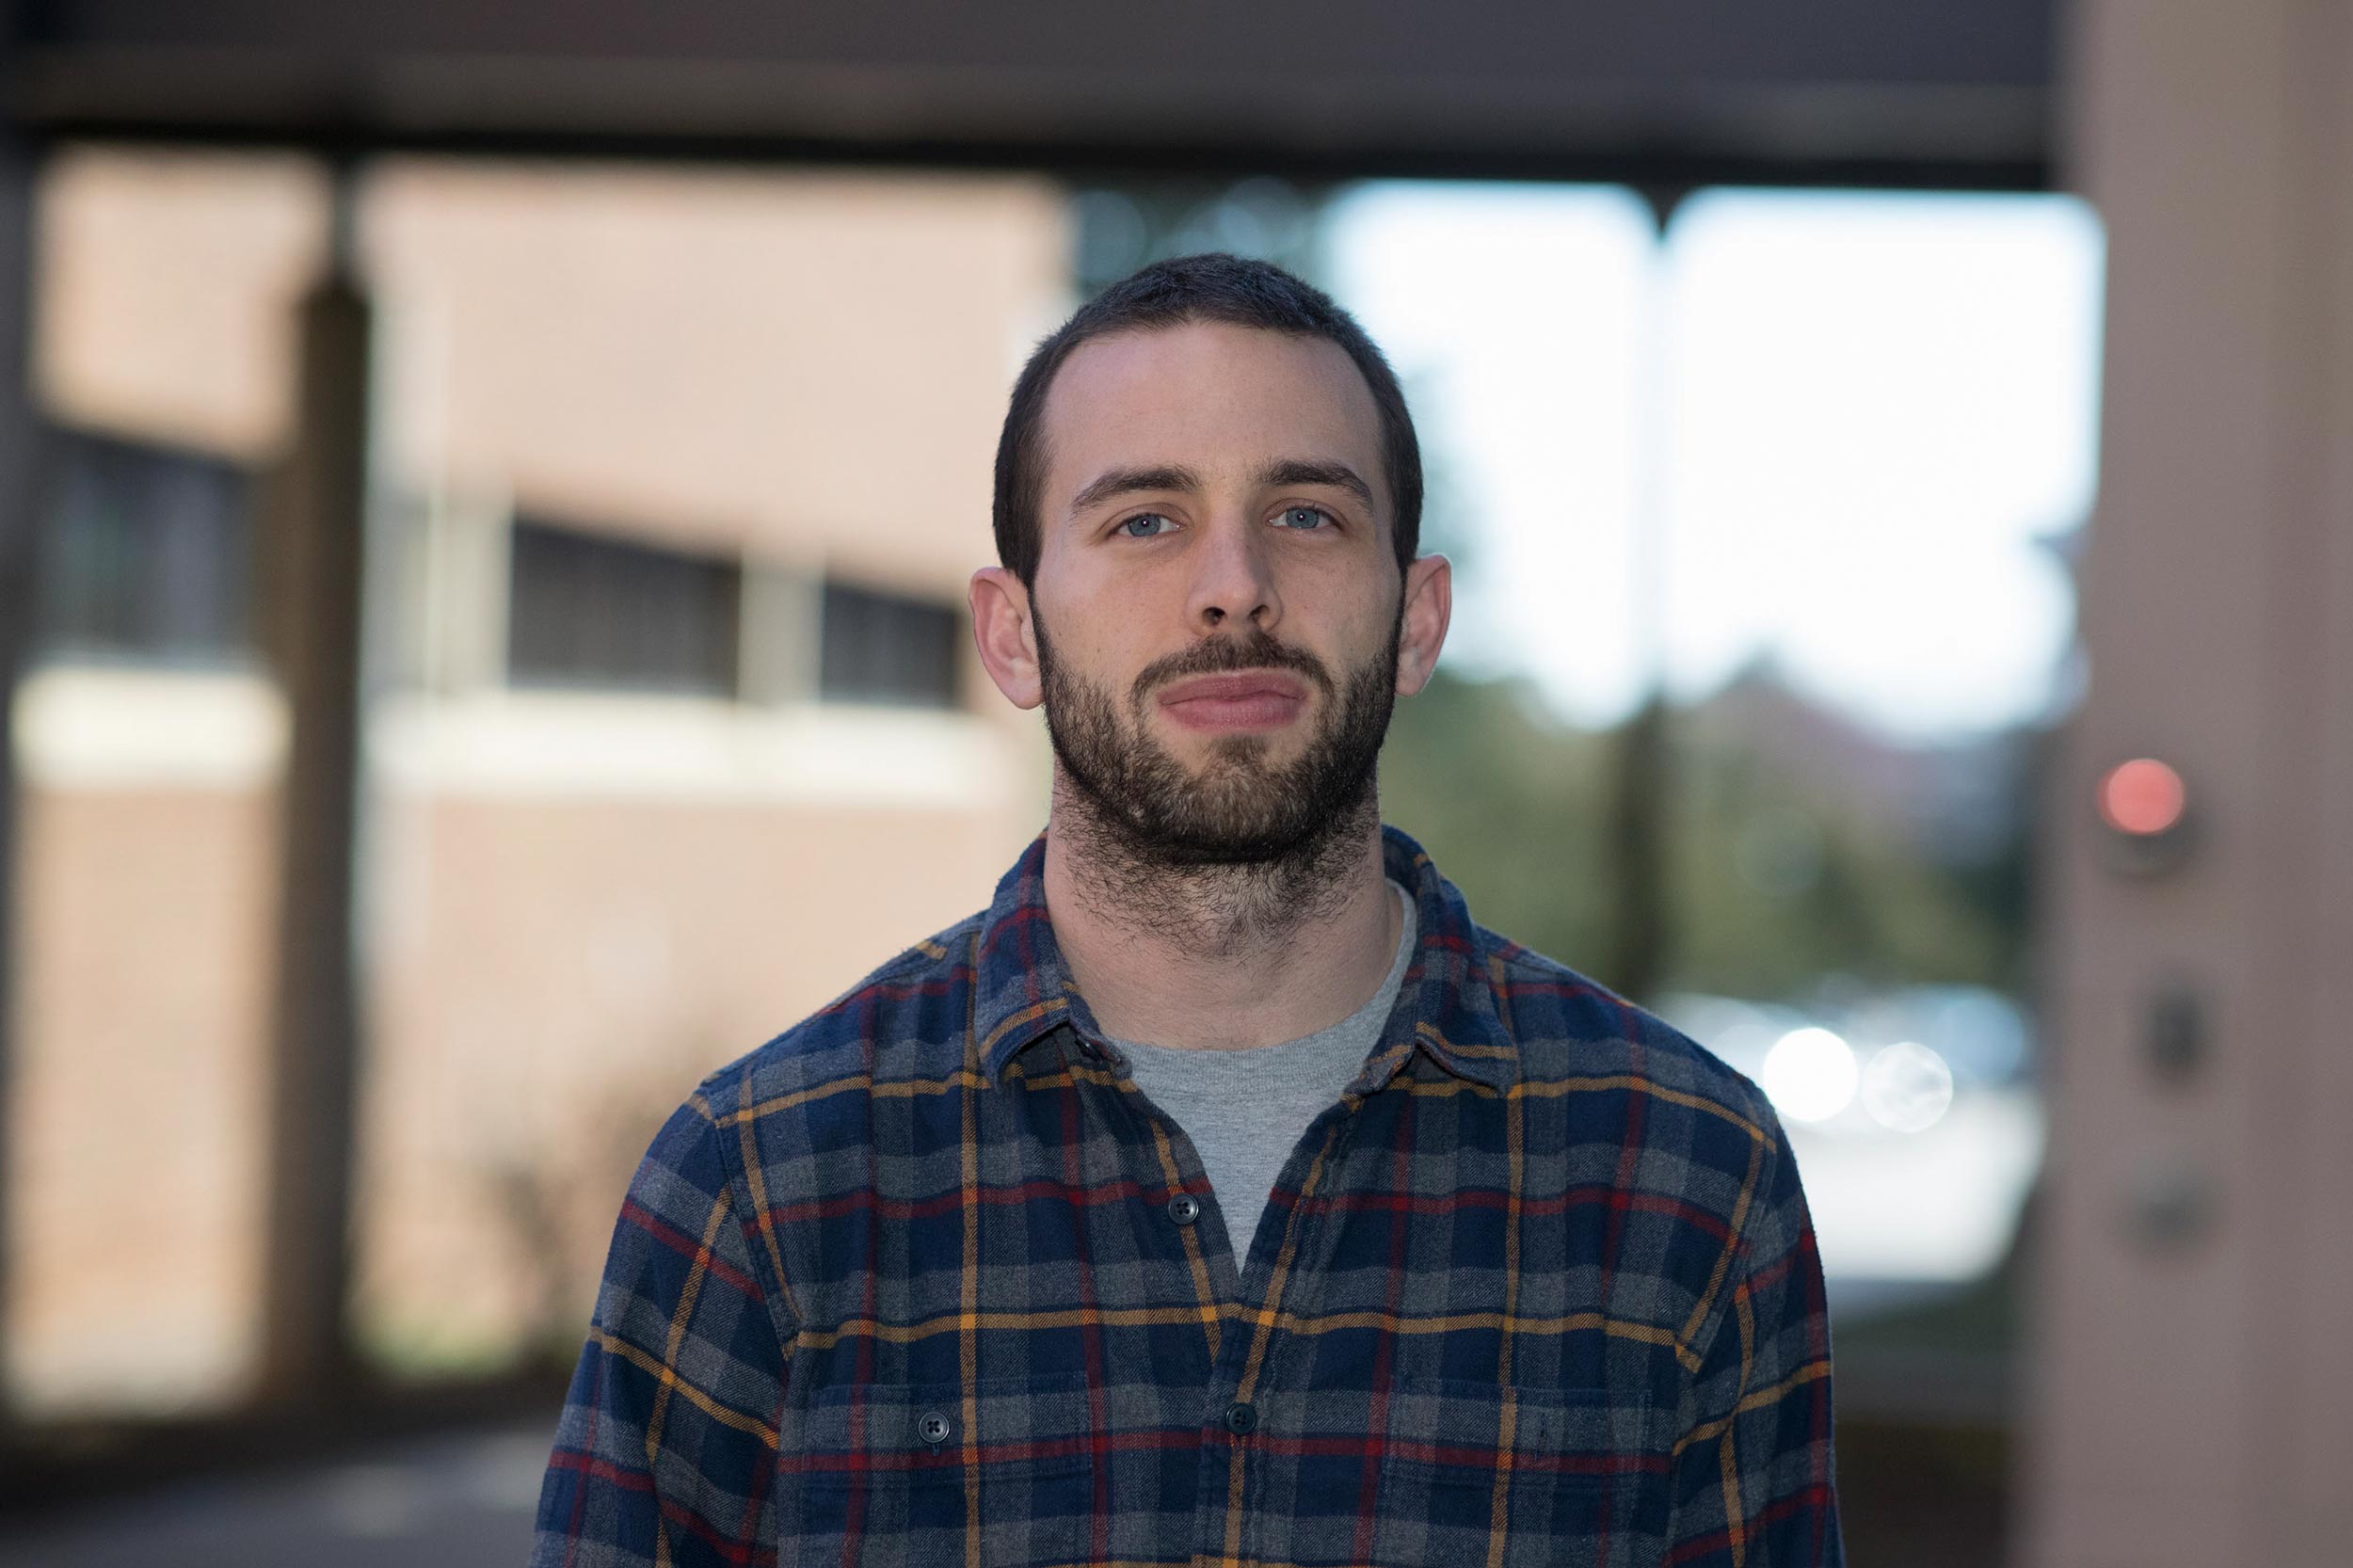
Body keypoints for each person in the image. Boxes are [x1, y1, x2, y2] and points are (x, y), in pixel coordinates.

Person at [532, 252, 1842, 1566]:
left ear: (1417, 620)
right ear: (1012, 634)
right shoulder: (762, 1185)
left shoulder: (1685, 1177)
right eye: (1144, 520)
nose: (1234, 585)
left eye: (1309, 516)